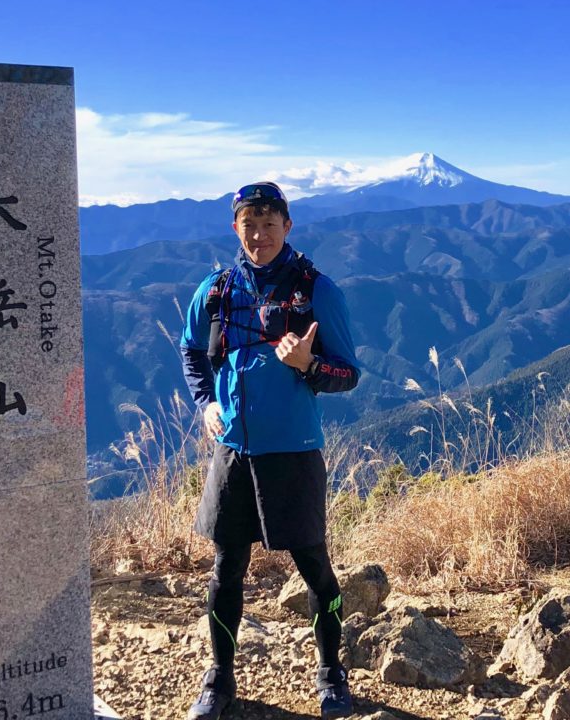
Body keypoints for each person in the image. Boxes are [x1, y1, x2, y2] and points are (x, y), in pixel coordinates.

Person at [179, 182, 361, 719]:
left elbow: (347, 374)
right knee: (225, 566)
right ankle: (219, 679)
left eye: (269, 224)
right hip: (234, 450)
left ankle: (331, 675)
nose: (259, 235)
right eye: (249, 224)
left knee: (315, 567)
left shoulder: (316, 290)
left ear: (288, 226)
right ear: (236, 228)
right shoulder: (215, 290)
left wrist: (307, 365)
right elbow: (192, 349)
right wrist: (206, 402)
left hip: (293, 450)